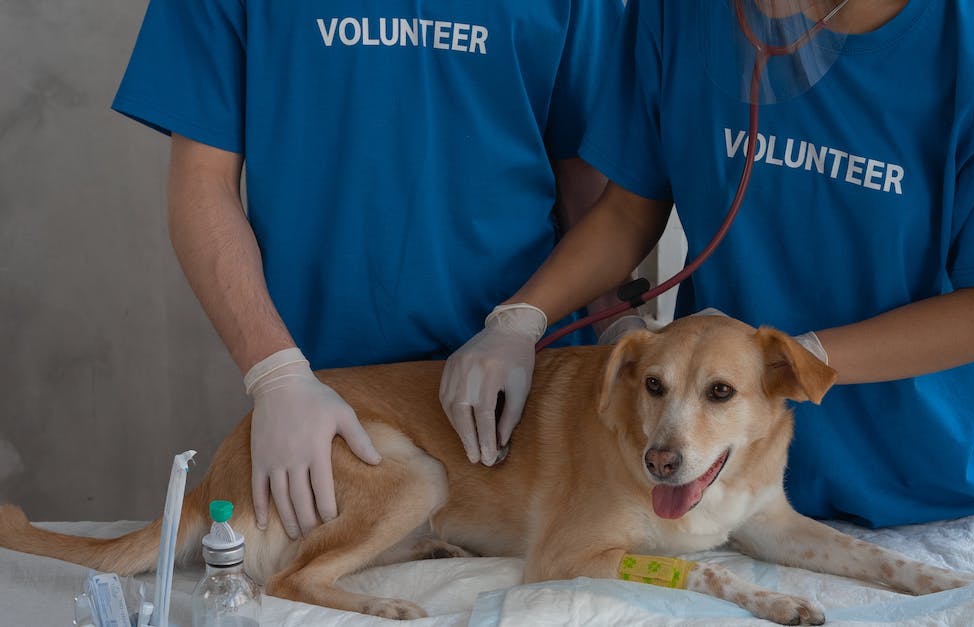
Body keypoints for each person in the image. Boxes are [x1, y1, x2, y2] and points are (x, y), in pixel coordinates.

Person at [441, 0, 974, 528]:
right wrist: (520, 318)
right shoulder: (681, 15)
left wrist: (795, 360)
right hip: (722, 487)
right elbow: (627, 213)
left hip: (920, 489)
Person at [113, 0, 624, 540]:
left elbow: (592, 188)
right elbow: (202, 186)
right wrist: (275, 373)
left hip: (523, 404)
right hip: (337, 416)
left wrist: (614, 328)